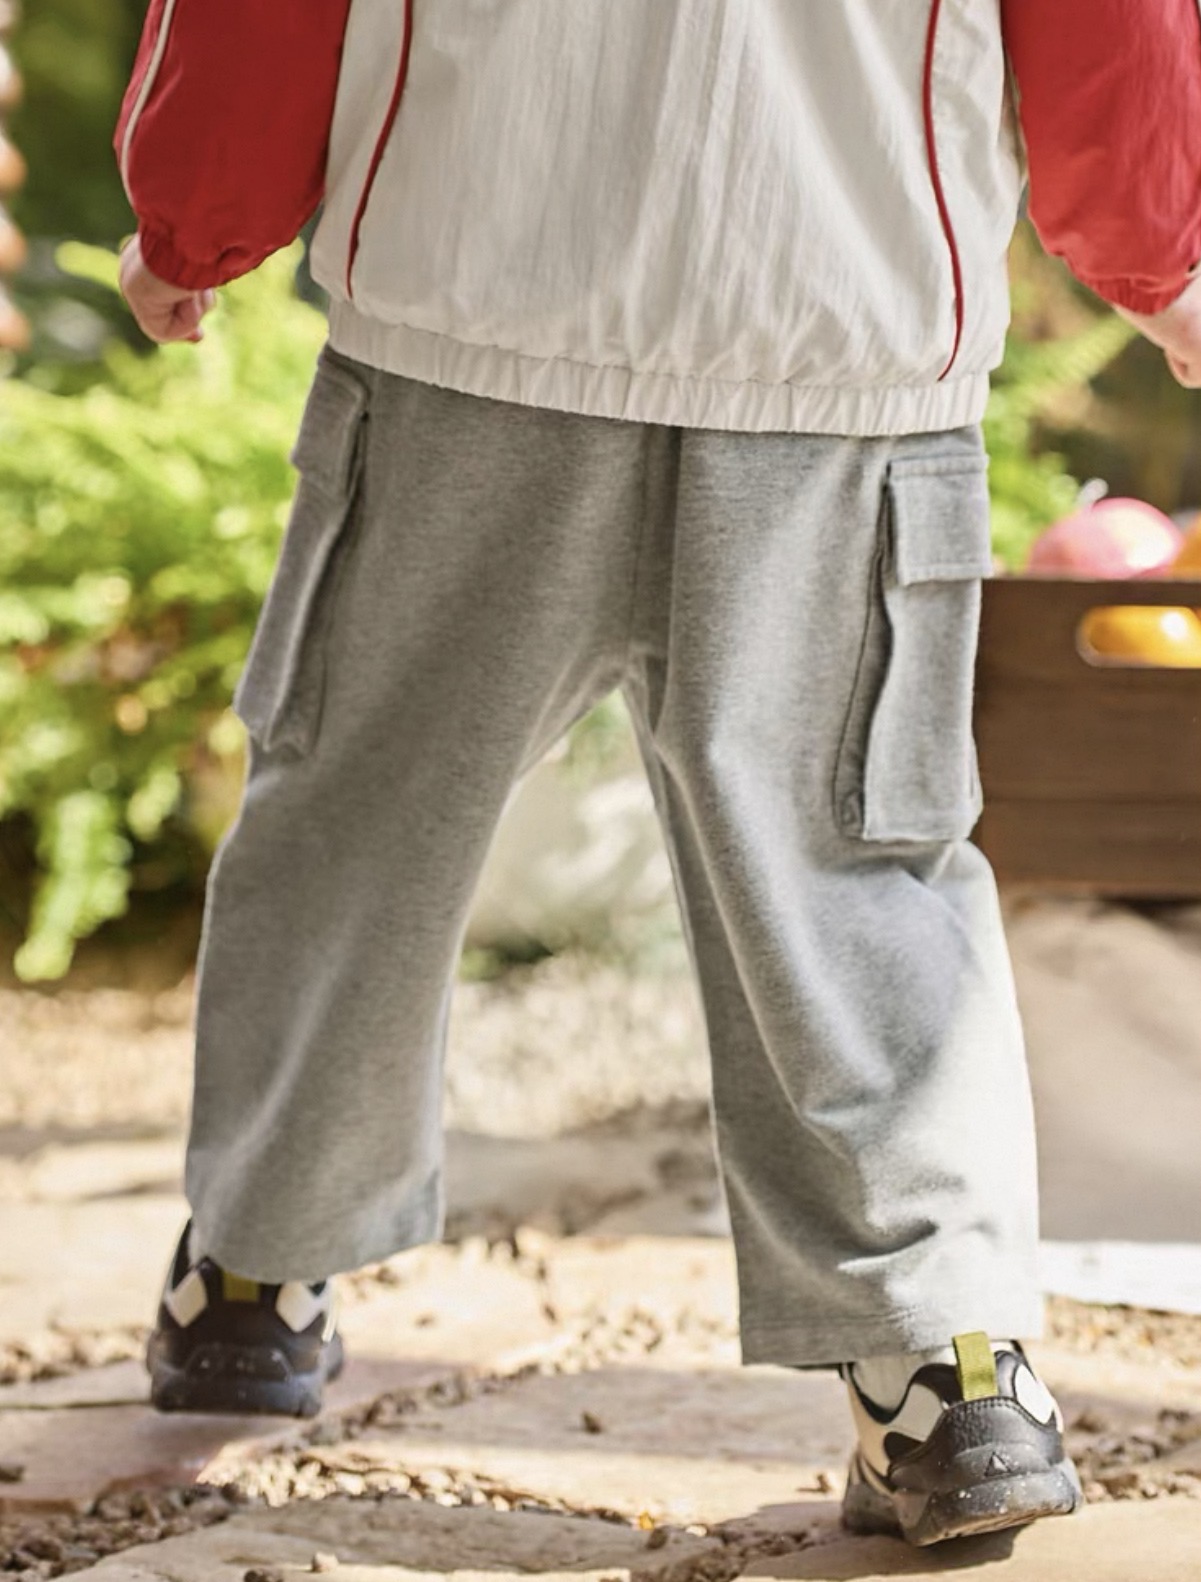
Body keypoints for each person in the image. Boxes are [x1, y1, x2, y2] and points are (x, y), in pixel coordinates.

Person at [113, 0, 1201, 1548]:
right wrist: (1162, 252)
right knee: (853, 861)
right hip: (841, 308)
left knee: (356, 809)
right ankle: (942, 1364)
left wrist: (197, 213)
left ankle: (252, 1269)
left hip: (475, 279)